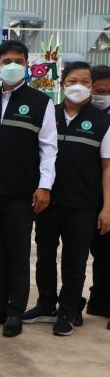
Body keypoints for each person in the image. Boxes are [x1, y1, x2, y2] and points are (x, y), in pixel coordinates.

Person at [0, 40, 57, 337]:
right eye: (6, 60)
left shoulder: (40, 102)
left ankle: (15, 311)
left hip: (22, 193)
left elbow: (49, 149)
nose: (12, 65)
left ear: (27, 64)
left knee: (18, 254)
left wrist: (44, 187)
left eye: (18, 60)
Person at [24, 62, 110, 336]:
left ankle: (69, 310)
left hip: (83, 205)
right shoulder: (50, 114)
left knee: (75, 261)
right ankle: (46, 304)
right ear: (62, 84)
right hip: (48, 201)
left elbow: (108, 167)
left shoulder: (103, 122)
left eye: (86, 82)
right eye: (74, 80)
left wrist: (107, 207)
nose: (80, 86)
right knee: (45, 256)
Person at [87, 65, 110, 321]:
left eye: (108, 91)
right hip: (85, 194)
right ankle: (97, 300)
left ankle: (101, 300)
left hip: (108, 194)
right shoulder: (81, 114)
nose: (103, 95)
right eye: (99, 90)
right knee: (95, 251)